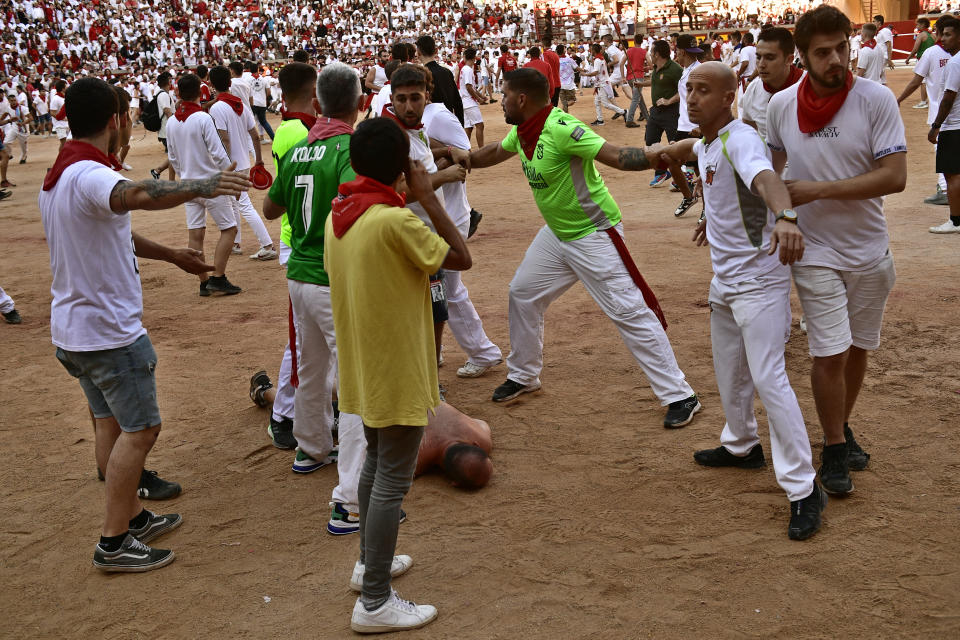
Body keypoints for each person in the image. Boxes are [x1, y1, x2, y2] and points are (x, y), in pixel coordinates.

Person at [40, 76, 249, 572]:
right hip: (108, 333)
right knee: (142, 430)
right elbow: (138, 195)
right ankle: (113, 541)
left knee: (108, 423)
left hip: (76, 331)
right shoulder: (91, 175)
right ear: (115, 121)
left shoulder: (62, 175)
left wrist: (173, 255)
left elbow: (114, 234)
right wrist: (203, 183)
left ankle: (131, 516)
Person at [464, 68, 700, 427]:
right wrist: (463, 158)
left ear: (522, 99)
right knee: (523, 294)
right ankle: (524, 375)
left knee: (628, 310)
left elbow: (618, 156)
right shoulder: (524, 130)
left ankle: (681, 395)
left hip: (593, 233)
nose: (501, 100)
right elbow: (496, 150)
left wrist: (657, 154)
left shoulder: (561, 128)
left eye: (505, 94)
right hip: (559, 233)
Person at [661, 62, 825, 540]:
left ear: (730, 96)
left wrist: (786, 217)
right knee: (730, 370)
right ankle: (740, 446)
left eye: (703, 91)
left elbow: (765, 181)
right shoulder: (709, 143)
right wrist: (709, 212)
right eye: (688, 89)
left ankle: (802, 487)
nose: (691, 98)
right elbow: (694, 151)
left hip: (758, 283)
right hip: (727, 281)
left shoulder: (740, 140)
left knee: (770, 380)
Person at [324, 117, 472, 632]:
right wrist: (428, 198)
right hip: (397, 364)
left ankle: (370, 567)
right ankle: (375, 601)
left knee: (374, 465)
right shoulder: (394, 220)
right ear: (402, 169)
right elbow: (461, 257)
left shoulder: (339, 214)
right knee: (391, 477)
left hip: (363, 363)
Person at [766, 5, 906, 496]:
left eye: (842, 48)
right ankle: (833, 447)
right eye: (822, 52)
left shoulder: (875, 99)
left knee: (859, 348)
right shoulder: (782, 105)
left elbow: (896, 177)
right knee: (829, 351)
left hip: (870, 248)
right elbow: (772, 175)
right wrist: (784, 216)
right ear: (802, 57)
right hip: (815, 248)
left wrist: (817, 190)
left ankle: (840, 428)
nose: (836, 60)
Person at [262, 63, 370, 537]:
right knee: (354, 380)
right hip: (331, 276)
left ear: (319, 102)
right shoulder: (349, 146)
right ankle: (349, 499)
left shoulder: (302, 146)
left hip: (299, 273)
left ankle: (310, 448)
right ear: (359, 101)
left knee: (312, 365)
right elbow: (356, 200)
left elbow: (271, 207)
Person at [250, 376, 494, 489]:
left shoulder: (480, 436)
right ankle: (267, 392)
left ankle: (266, 391)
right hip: (374, 402)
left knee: (329, 390)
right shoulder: (418, 457)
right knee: (325, 397)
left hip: (395, 388)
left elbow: (482, 423)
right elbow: (382, 469)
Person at [420, 90, 503, 379]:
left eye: (413, 94)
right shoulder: (413, 122)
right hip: (433, 219)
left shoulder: (440, 117)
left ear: (426, 91)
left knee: (448, 292)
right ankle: (442, 351)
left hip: (450, 218)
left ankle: (482, 352)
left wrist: (434, 173)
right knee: (440, 291)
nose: (405, 101)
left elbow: (463, 159)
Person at [263, 61, 319, 451]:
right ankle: (282, 412)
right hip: (300, 237)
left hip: (299, 234)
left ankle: (290, 407)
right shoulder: (301, 131)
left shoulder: (288, 127)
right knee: (301, 335)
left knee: (308, 334)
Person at [165, 73, 241, 297]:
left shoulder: (171, 122)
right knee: (229, 228)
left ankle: (203, 281)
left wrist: (183, 177)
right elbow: (219, 154)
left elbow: (173, 157)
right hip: (209, 182)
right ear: (200, 93)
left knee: (196, 233)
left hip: (188, 183)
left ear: (178, 93)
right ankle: (218, 277)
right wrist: (231, 179)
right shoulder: (203, 118)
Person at [208, 65, 277, 261]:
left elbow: (224, 140)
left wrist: (226, 167)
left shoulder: (217, 107)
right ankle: (236, 243)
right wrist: (260, 160)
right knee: (235, 203)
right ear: (229, 83)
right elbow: (255, 136)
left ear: (212, 85)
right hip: (244, 161)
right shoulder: (241, 104)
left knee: (243, 204)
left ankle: (267, 244)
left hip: (231, 164)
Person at [898, 15, 959, 213]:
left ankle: (944, 191)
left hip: (942, 114)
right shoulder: (954, 55)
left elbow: (917, 81)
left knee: (946, 160)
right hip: (952, 114)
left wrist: (899, 100)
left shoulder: (932, 53)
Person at [740, 27, 804, 141]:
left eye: (770, 58)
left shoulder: (812, 85)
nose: (761, 65)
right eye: (758, 57)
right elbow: (750, 131)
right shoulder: (752, 90)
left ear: (789, 59)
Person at [928, 22, 960, 237]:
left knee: (952, 175)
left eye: (948, 35)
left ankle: (955, 220)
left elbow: (948, 97)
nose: (943, 38)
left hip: (954, 125)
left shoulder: (955, 63)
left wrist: (936, 126)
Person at [639, 40, 683, 187]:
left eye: (651, 52)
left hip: (672, 112)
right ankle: (661, 172)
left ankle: (680, 176)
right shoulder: (656, 68)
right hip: (655, 112)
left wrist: (669, 101)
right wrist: (640, 84)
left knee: (675, 146)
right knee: (651, 142)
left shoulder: (675, 69)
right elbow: (654, 82)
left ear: (657, 54)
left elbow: (683, 90)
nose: (650, 54)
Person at [416, 36, 465, 125]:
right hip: (449, 121)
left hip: (432, 124)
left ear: (418, 52)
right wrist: (460, 125)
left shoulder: (420, 75)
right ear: (435, 51)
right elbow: (457, 102)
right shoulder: (447, 72)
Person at [581, 42, 626, 126]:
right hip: (602, 83)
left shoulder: (598, 60)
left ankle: (623, 111)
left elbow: (596, 72)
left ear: (594, 50)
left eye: (591, 50)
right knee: (597, 102)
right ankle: (600, 119)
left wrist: (586, 74)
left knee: (605, 104)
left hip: (602, 84)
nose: (590, 51)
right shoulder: (600, 58)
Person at [459, 47, 488, 147]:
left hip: (465, 101)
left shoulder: (465, 69)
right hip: (469, 102)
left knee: (469, 127)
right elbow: (468, 87)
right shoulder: (468, 70)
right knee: (480, 125)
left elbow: (472, 88)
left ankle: (465, 148)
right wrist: (479, 98)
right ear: (474, 58)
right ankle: (482, 149)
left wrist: (481, 96)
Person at [149, 72, 174, 181]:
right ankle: (170, 180)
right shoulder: (163, 94)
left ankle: (157, 171)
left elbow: (170, 109)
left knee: (174, 156)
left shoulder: (161, 93)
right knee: (174, 156)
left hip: (165, 129)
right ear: (168, 81)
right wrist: (175, 127)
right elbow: (167, 111)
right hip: (167, 129)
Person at [623, 32, 649, 127]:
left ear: (634, 41)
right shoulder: (644, 52)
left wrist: (622, 77)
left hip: (630, 78)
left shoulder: (629, 51)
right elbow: (650, 64)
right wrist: (645, 68)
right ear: (642, 42)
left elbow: (622, 63)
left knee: (639, 98)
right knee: (636, 99)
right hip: (638, 78)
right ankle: (629, 120)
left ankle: (648, 118)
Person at [556, 45, 578, 113]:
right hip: (569, 85)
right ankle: (563, 110)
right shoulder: (569, 59)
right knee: (573, 100)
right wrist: (583, 70)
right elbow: (577, 68)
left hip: (560, 84)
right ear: (564, 51)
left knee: (564, 102)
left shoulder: (556, 60)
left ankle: (564, 115)